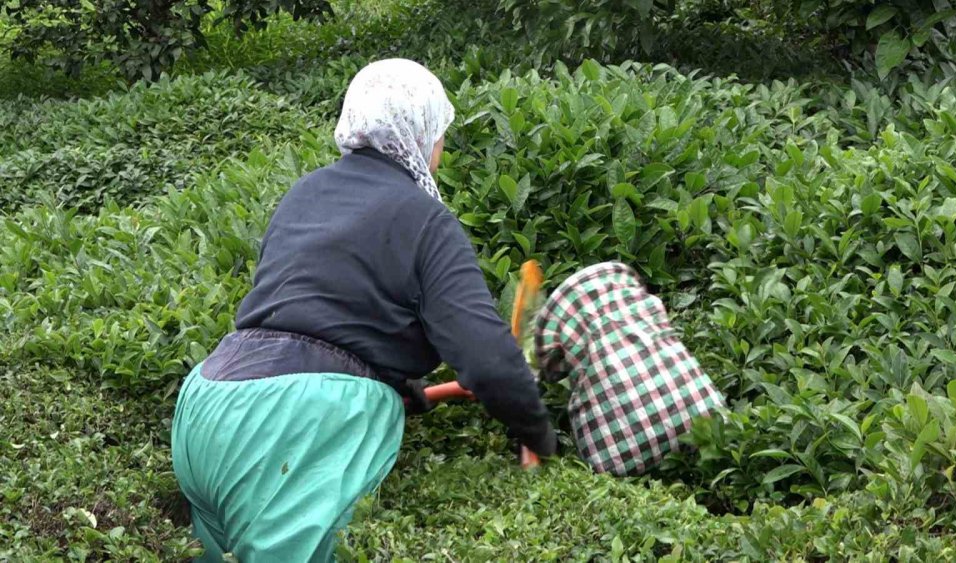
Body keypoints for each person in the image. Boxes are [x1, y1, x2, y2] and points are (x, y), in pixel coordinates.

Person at [170, 58, 556, 562]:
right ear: (420, 135)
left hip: (206, 404)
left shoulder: (303, 193)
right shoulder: (426, 221)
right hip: (291, 428)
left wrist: (405, 393)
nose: (441, 148)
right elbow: (488, 361)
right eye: (440, 134)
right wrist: (540, 435)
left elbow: (307, 327)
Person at [532, 261, 725, 477]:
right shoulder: (646, 306)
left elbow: (550, 371)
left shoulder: (558, 330)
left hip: (623, 454)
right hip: (704, 415)